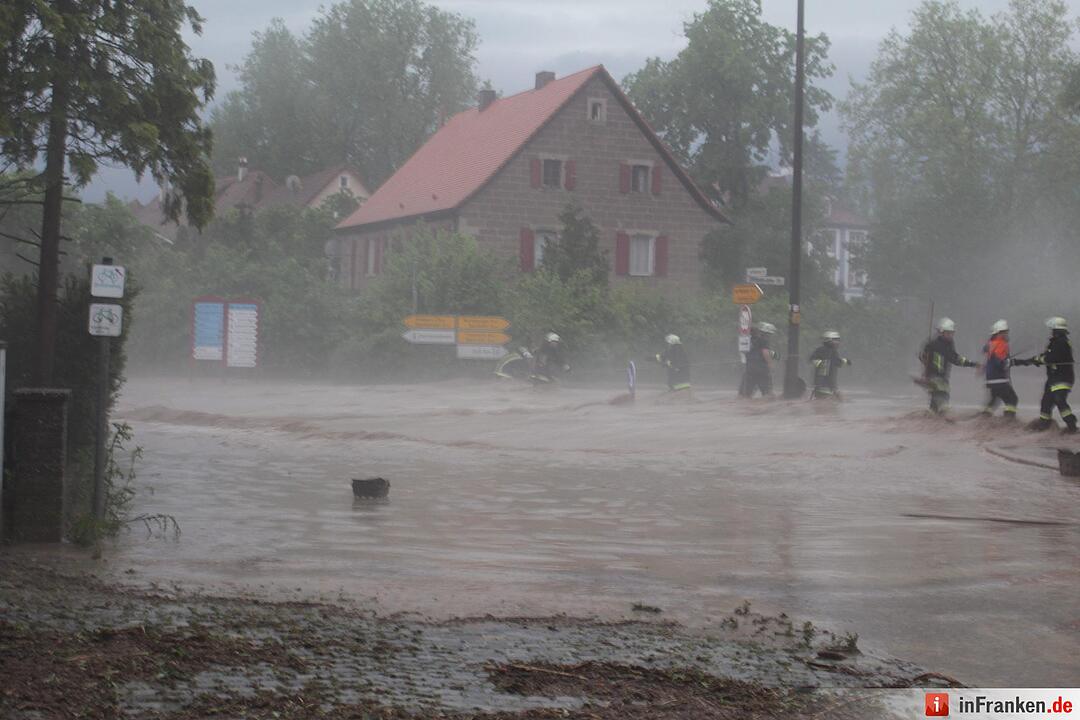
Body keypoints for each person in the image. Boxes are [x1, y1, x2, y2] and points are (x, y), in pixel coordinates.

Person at [1015, 316, 1075, 433]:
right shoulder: (1054, 343)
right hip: (1054, 378)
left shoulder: (1061, 343)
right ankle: (1044, 424)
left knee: (1059, 399)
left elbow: (1051, 358)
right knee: (1046, 401)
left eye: (1053, 330)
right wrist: (1032, 360)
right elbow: (1046, 356)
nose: (1051, 332)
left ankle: (1071, 426)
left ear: (1057, 330)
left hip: (1062, 377)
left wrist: (1040, 359)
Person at [920, 318, 978, 414]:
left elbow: (955, 359)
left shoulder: (949, 344)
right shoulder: (932, 344)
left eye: (952, 333)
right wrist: (925, 354)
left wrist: (972, 364)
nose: (951, 335)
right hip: (933, 377)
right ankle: (944, 415)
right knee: (943, 395)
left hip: (943, 377)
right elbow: (922, 357)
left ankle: (931, 418)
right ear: (941, 332)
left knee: (935, 404)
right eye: (948, 333)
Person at [980, 319, 1019, 420]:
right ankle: (1008, 421)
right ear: (998, 333)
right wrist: (1007, 362)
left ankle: (984, 417)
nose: (1006, 334)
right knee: (1012, 399)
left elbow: (989, 356)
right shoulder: (1001, 344)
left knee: (994, 400)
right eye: (1004, 332)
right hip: (1000, 379)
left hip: (991, 379)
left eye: (1006, 332)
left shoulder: (991, 343)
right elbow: (999, 362)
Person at [809, 330, 851, 400]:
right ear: (830, 340)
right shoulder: (833, 352)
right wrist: (846, 361)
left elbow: (812, 359)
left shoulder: (819, 350)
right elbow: (838, 363)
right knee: (832, 404)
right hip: (829, 386)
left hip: (819, 385)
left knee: (821, 404)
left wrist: (820, 363)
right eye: (836, 340)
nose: (838, 342)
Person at [740, 322, 777, 398]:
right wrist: (770, 364)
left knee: (743, 395)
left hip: (749, 369)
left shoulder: (748, 340)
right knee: (768, 395)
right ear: (767, 333)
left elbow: (744, 352)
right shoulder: (764, 340)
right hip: (762, 369)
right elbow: (765, 353)